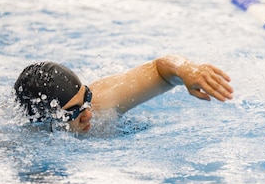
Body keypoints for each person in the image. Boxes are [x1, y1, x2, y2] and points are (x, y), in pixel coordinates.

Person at [13, 56, 234, 133]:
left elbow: (159, 70)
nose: (89, 115)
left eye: (86, 99)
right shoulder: (29, 143)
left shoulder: (101, 102)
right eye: (74, 113)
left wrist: (186, 69)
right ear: (48, 120)